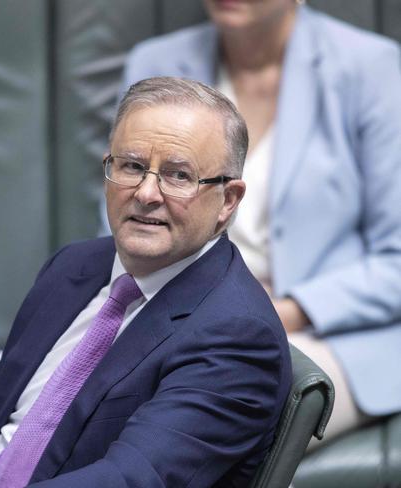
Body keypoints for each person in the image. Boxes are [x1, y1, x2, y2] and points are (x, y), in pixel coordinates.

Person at [0, 77, 292, 488]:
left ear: (228, 201)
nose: (146, 193)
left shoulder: (237, 336)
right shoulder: (72, 268)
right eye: (132, 167)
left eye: (178, 176)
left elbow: (130, 480)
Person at [114, 0, 401, 446]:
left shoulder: (371, 68)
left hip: (325, 334)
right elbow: (123, 215)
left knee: (214, 423)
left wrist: (283, 310)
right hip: (177, 315)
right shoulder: (156, 64)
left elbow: (397, 260)